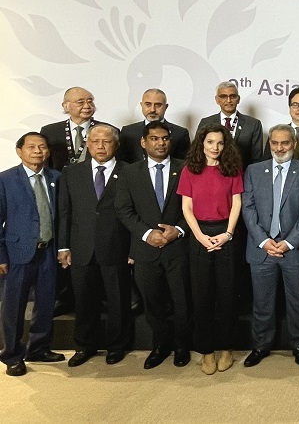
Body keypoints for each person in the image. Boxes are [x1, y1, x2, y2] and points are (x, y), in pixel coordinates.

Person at [114, 121, 192, 369]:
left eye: (165, 138)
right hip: (145, 249)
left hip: (178, 248)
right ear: (143, 142)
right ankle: (160, 345)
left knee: (181, 301)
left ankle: (181, 346)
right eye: (155, 139)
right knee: (152, 302)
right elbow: (123, 209)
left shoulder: (186, 168)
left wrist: (178, 230)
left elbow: (196, 207)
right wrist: (147, 234)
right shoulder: (129, 172)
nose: (161, 143)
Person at [241, 125, 299, 367]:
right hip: (261, 249)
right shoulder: (254, 171)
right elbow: (248, 208)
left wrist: (288, 242)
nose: (279, 148)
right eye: (274, 143)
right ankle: (261, 345)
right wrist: (264, 241)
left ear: (293, 144)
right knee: (262, 302)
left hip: (295, 249)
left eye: (285, 143)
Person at [57, 125, 131, 367]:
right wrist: (63, 246)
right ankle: (84, 346)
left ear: (115, 145)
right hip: (82, 246)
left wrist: (134, 249)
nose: (100, 146)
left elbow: (135, 213)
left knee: (118, 300)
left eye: (106, 142)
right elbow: (65, 212)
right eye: (95, 141)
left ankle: (117, 346)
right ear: (87, 144)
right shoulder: (72, 172)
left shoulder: (129, 171)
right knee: (83, 300)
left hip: (117, 246)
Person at [177, 124, 244, 375]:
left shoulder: (233, 169)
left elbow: (237, 204)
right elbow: (186, 208)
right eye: (210, 142)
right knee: (201, 297)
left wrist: (228, 234)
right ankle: (206, 351)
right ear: (201, 144)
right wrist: (200, 237)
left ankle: (226, 348)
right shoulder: (189, 170)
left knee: (227, 296)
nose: (215, 147)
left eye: (220, 143)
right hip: (199, 235)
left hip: (227, 234)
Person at [40, 86, 110, 315]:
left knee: (92, 246)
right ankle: (64, 296)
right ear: (66, 105)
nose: (87, 105)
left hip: (92, 195)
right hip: (59, 193)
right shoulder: (50, 131)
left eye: (90, 101)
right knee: (62, 241)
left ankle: (99, 297)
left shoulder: (106, 130)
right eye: (80, 102)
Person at [0, 133, 65, 376]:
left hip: (48, 250)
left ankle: (39, 348)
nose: (37, 151)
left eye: (42, 146)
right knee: (14, 307)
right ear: (19, 151)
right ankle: (12, 355)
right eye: (31, 147)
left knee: (46, 303)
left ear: (48, 151)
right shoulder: (5, 179)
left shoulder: (56, 178)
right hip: (16, 253)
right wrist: (1, 255)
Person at [197, 81, 266, 167]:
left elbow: (257, 160)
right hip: (211, 173)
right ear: (217, 100)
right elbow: (197, 152)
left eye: (232, 96)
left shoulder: (253, 124)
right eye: (223, 96)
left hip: (242, 173)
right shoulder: (206, 123)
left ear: (238, 99)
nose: (229, 100)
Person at [118, 88, 190, 163]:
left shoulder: (180, 133)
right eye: (148, 104)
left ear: (166, 107)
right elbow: (121, 163)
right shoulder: (128, 132)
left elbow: (185, 164)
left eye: (158, 105)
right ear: (141, 105)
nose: (152, 109)